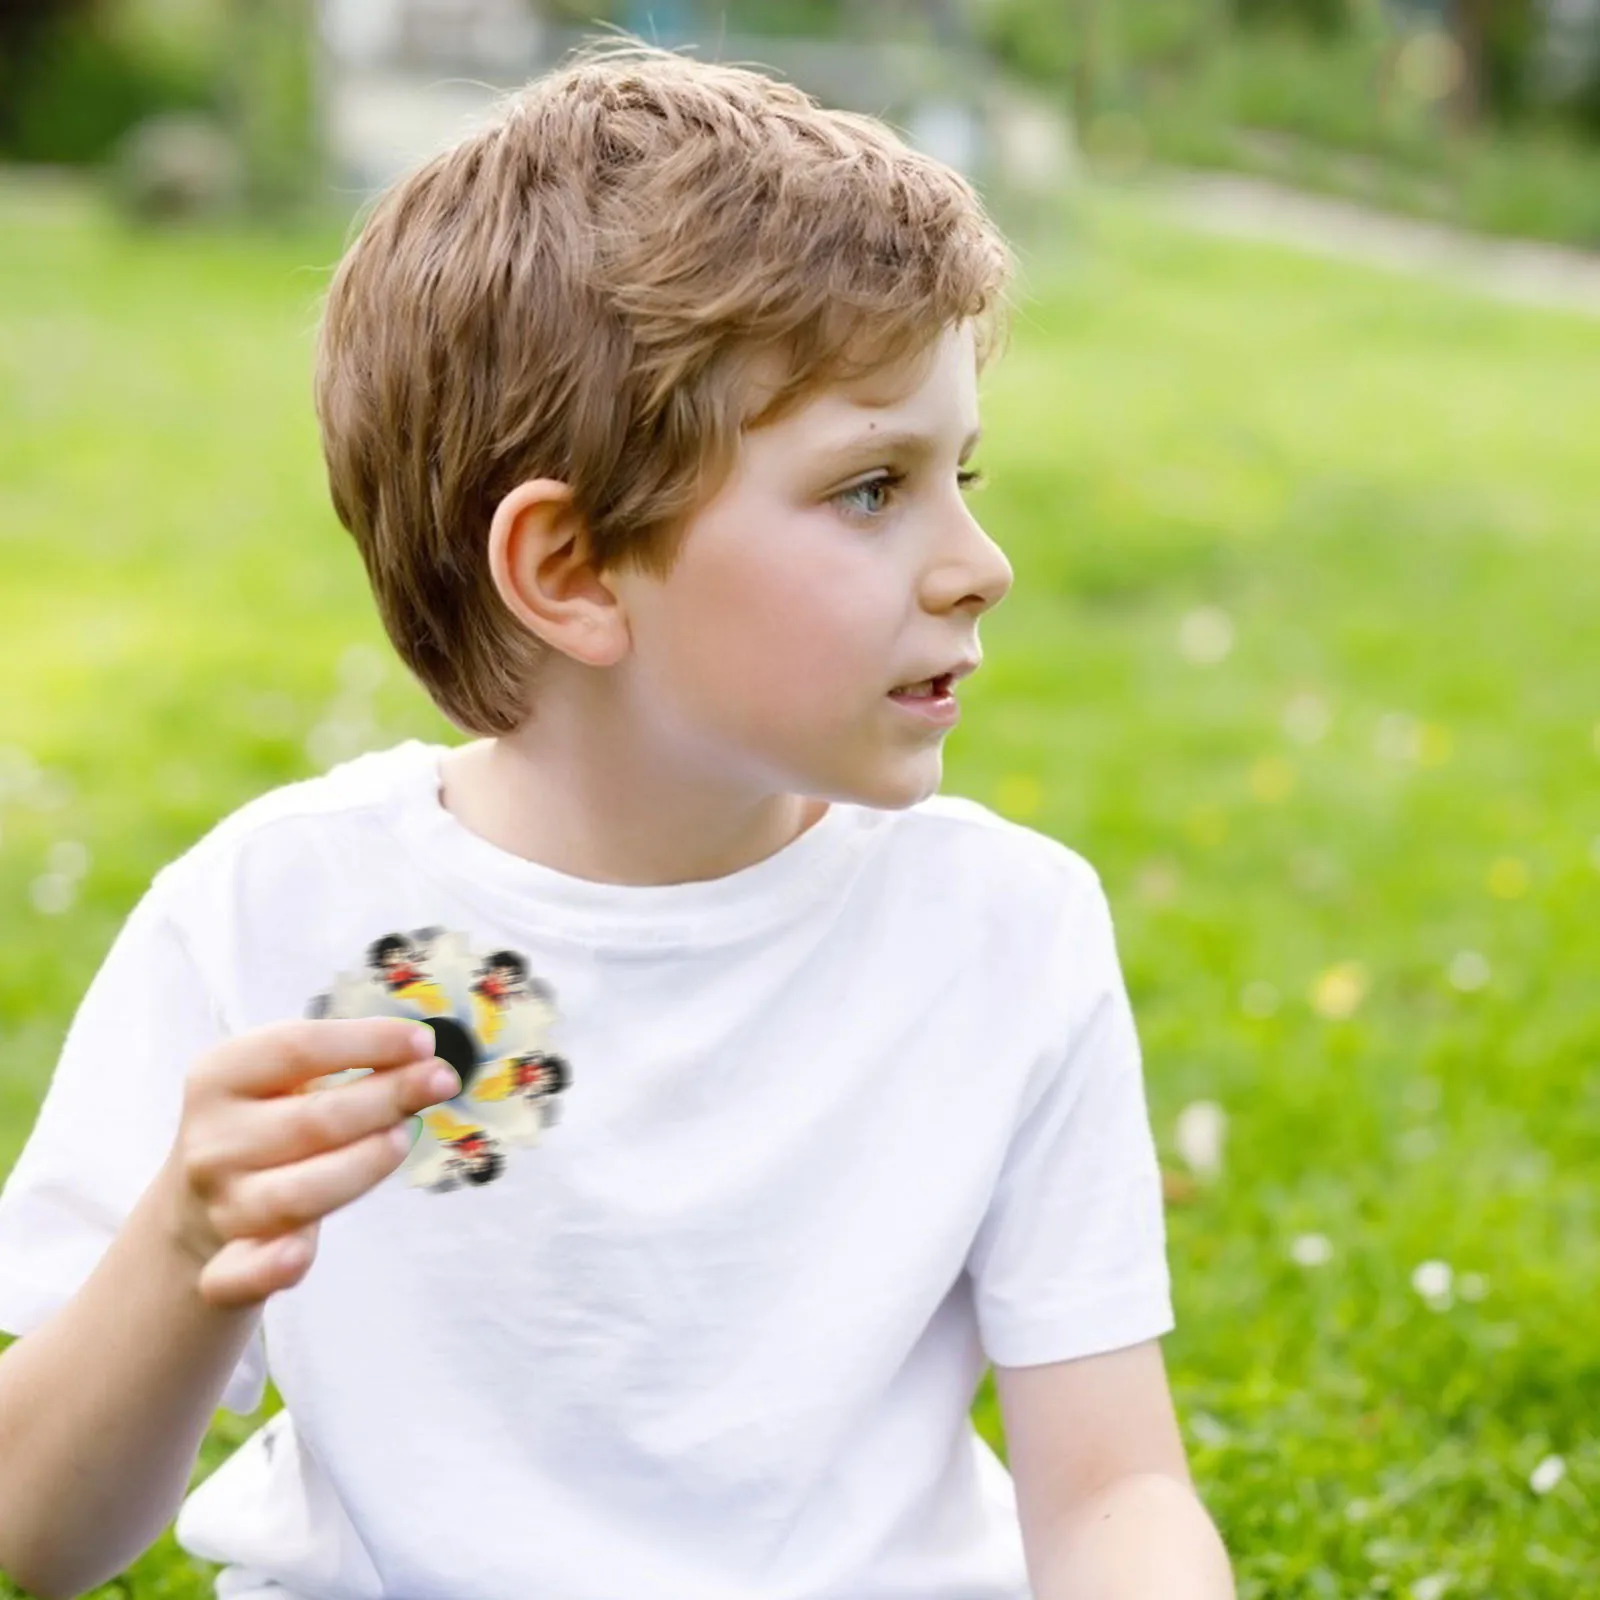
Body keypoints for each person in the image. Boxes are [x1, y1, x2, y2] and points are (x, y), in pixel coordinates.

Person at [0, 40, 1235, 1600]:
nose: (978, 560)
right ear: (573, 572)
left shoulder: (1005, 933)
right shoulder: (273, 915)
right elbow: (36, 1539)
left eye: (962, 471)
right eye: (873, 488)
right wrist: (182, 1249)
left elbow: (1115, 1487)